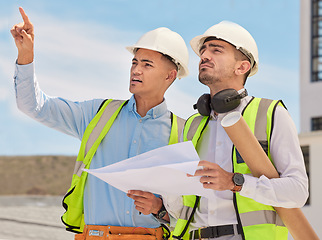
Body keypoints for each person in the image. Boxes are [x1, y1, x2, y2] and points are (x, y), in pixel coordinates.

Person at [11, 7, 189, 240]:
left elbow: (194, 211)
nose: (135, 70)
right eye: (134, 62)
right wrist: (26, 56)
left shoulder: (184, 133)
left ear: (170, 76)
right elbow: (34, 106)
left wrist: (160, 209)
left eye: (147, 65)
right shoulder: (97, 115)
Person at [162, 21, 309, 240]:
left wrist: (236, 182)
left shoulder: (270, 113)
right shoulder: (193, 125)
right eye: (203, 51)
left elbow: (297, 192)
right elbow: (183, 207)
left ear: (242, 67)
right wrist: (160, 206)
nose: (204, 56)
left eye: (216, 50)